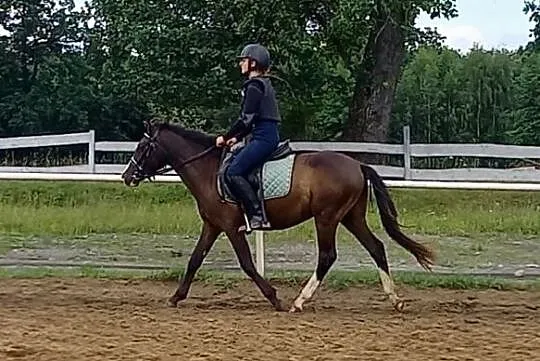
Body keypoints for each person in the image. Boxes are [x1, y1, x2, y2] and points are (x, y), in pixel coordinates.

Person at [215, 43, 281, 232]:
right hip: (263, 134)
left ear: (253, 63)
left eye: (243, 60)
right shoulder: (262, 84)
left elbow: (246, 119)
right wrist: (237, 137)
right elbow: (253, 119)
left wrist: (226, 136)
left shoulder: (255, 86)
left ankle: (257, 215)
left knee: (233, 172)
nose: (240, 64)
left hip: (263, 138)